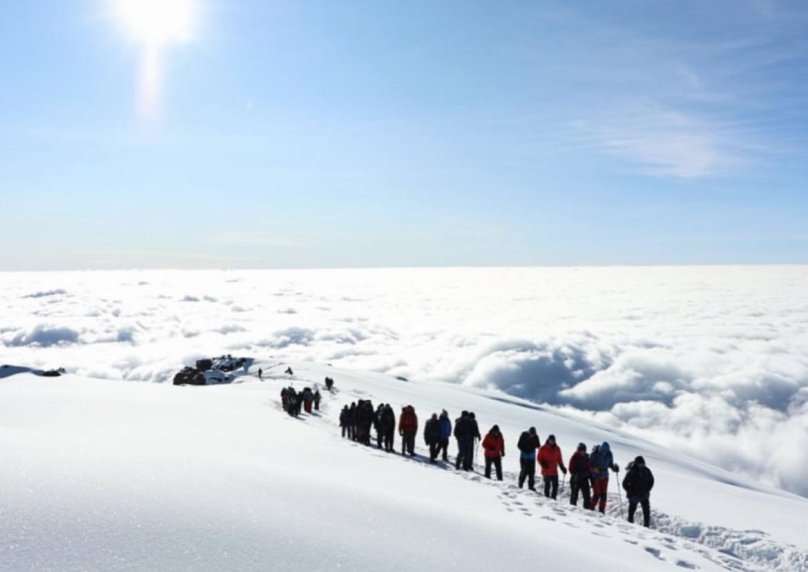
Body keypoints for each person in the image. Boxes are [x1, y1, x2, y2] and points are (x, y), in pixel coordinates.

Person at [623, 456, 655, 527]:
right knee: (631, 512)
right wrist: (630, 491)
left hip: (644, 495)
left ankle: (646, 526)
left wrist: (647, 489)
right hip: (634, 496)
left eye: (642, 464)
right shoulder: (632, 471)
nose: (641, 465)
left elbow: (651, 480)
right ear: (636, 463)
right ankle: (629, 525)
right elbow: (624, 483)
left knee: (646, 512)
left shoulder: (646, 470)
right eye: (640, 464)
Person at [589, 442, 619, 513]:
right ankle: (591, 508)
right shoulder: (595, 454)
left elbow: (610, 464)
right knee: (597, 494)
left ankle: (601, 511)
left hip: (605, 476)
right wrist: (594, 469)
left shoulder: (609, 454)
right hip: (596, 477)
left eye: (605, 452)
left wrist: (614, 468)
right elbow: (589, 464)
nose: (603, 453)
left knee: (603, 494)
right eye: (602, 452)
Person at [537, 434, 567, 499]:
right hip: (546, 470)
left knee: (555, 485)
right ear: (548, 440)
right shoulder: (543, 448)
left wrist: (562, 468)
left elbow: (559, 460)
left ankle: (553, 498)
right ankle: (546, 498)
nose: (552, 442)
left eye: (553, 441)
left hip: (554, 470)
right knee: (547, 485)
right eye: (550, 440)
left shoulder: (557, 449)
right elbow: (539, 458)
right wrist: (543, 464)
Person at [568, 443, 592, 509]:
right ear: (578, 450)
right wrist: (577, 474)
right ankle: (572, 509)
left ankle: (587, 509)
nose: (583, 452)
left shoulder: (587, 457)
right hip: (575, 479)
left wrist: (590, 477)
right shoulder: (574, 457)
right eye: (582, 450)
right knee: (574, 495)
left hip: (584, 479)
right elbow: (571, 469)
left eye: (584, 450)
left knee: (587, 496)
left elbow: (589, 468)